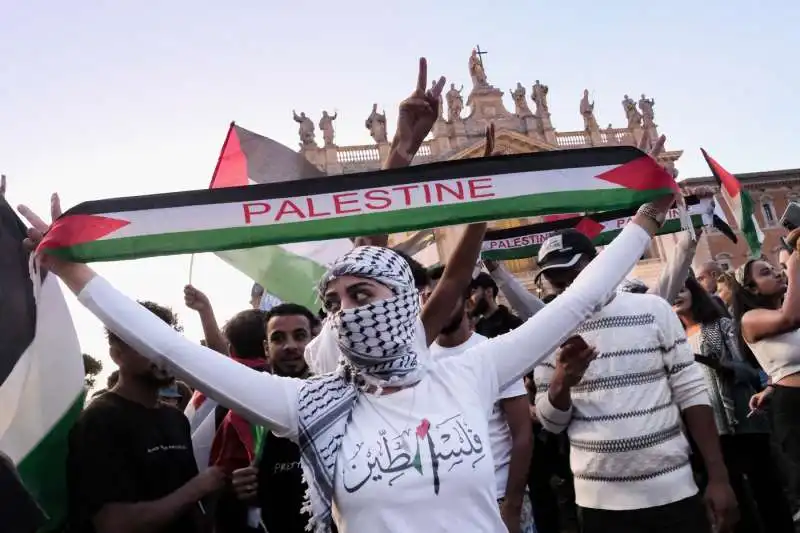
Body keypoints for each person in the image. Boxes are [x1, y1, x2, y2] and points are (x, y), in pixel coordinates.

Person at [21, 177, 677, 532]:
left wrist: (646, 221)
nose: (346, 309)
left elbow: (575, 301)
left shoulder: (470, 368)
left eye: (363, 292)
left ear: (401, 299)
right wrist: (74, 270)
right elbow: (172, 347)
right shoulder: (307, 404)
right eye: (333, 300)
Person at [533, 228, 738, 533]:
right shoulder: (546, 329)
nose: (569, 287)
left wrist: (718, 476)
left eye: (574, 273)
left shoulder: (653, 310)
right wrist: (563, 382)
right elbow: (551, 423)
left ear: (600, 263)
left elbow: (691, 393)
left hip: (674, 491)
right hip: (600, 504)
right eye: (558, 280)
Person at [64, 300, 225, 533]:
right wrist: (197, 488)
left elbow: (192, 508)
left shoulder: (175, 419)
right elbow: (113, 524)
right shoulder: (99, 420)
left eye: (165, 342)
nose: (161, 353)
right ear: (117, 355)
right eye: (146, 343)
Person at [673, 275, 793, 532]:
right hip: (709, 431)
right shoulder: (674, 338)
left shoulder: (721, 325)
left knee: (767, 489)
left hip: (744, 421)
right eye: (673, 290)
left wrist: (722, 366)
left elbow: (754, 371)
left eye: (683, 288)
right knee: (734, 496)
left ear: (695, 291)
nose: (677, 294)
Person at [427, 266, 535, 533]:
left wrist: (512, 505)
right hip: (445, 507)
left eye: (444, 296)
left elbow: (522, 434)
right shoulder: (418, 362)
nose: (435, 304)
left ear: (467, 302)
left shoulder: (493, 353)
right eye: (427, 296)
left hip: (498, 497)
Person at [215, 304, 316, 533]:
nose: (290, 346)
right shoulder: (243, 411)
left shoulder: (340, 402)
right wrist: (235, 488)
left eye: (300, 336)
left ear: (314, 341)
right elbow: (218, 488)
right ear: (266, 348)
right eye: (278, 338)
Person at [734, 231, 800, 503]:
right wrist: (794, 263)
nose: (776, 273)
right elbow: (791, 318)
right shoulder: (750, 319)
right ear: (751, 289)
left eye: (776, 269)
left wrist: (771, 386)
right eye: (765, 272)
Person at [470, 272, 524, 338]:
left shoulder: (514, 324)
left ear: (489, 291)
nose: (469, 299)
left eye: (473, 292)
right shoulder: (477, 328)